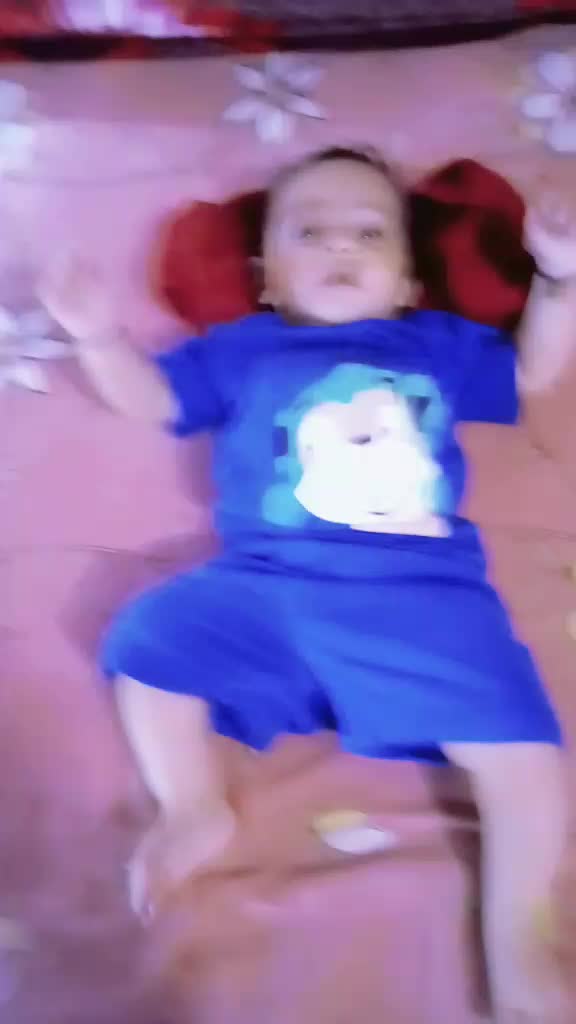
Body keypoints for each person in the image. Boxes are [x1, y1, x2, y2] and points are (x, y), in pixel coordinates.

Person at [43, 147, 576, 1023]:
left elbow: (530, 373)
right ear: (266, 277)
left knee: (524, 756)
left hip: (422, 596)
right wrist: (96, 335)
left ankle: (520, 937)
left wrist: (557, 280)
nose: (340, 247)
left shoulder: (436, 345)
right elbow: (151, 401)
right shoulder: (242, 351)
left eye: (369, 233)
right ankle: (193, 806)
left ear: (408, 281)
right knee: (147, 642)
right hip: (267, 585)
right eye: (310, 232)